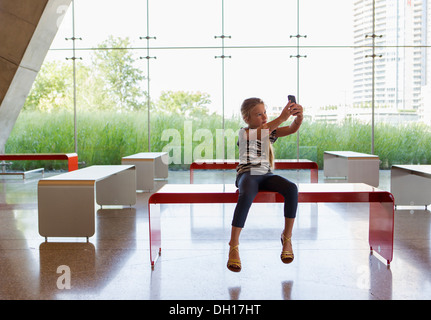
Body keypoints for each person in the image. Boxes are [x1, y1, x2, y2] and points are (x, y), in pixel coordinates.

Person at [227, 97, 304, 272]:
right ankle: (233, 245)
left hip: (266, 174)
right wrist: (283, 117)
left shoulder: (269, 132)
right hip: (247, 175)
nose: (264, 116)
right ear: (247, 119)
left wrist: (298, 118)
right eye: (258, 114)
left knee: (292, 189)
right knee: (246, 194)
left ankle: (287, 238)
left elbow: (292, 129)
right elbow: (263, 130)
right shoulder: (244, 133)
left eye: (265, 113)